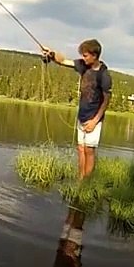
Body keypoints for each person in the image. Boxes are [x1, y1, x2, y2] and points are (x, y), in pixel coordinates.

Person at [42, 40, 113, 179]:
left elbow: (106, 101)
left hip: (94, 119)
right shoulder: (83, 65)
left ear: (94, 55)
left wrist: (94, 121)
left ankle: (86, 183)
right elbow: (63, 61)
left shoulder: (104, 75)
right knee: (80, 149)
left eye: (85, 55)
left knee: (89, 151)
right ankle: (80, 179)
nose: (83, 58)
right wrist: (51, 53)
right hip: (82, 115)